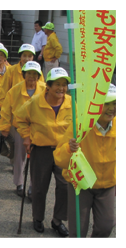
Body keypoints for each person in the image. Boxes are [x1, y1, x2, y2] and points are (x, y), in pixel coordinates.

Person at [14, 67, 71, 237]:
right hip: (41, 150)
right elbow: (19, 119)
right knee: (39, 187)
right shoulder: (35, 102)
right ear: (48, 86)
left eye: (64, 85)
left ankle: (57, 220)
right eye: (57, 85)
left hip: (64, 150)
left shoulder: (70, 102)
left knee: (65, 186)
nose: (61, 88)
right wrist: (26, 136)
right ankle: (37, 218)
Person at [54, 84, 116, 237]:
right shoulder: (79, 125)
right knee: (78, 232)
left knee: (106, 227)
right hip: (80, 185)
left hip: (107, 185)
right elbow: (59, 159)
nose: (111, 108)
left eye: (114, 103)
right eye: (106, 103)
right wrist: (69, 149)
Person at [0, 61, 46, 198]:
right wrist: (5, 127)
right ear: (24, 75)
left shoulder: (44, 89)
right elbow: (6, 110)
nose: (32, 77)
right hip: (20, 127)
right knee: (20, 156)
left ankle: (32, 186)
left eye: (35, 74)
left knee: (37, 159)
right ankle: (19, 183)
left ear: (39, 76)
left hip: (39, 129)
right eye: (29, 73)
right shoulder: (15, 90)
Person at [0, 43, 45, 108]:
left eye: (30, 56)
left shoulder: (38, 72)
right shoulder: (11, 70)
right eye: (24, 56)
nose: (27, 59)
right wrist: (4, 108)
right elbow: (3, 91)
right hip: (15, 109)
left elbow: (42, 91)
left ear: (33, 57)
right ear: (20, 56)